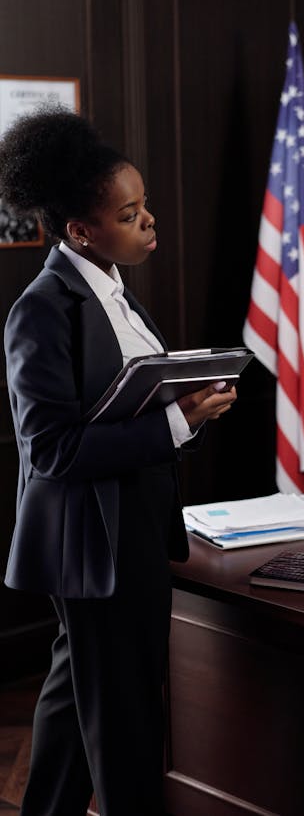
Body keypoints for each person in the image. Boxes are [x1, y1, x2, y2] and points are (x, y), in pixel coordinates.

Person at [0, 108, 238, 815]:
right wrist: (178, 419)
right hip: (91, 544)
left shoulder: (111, 289)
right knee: (126, 718)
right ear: (81, 229)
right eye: (130, 213)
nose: (149, 222)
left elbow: (125, 405)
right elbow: (49, 449)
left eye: (146, 206)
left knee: (81, 697)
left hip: (129, 528)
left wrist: (185, 410)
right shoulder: (43, 310)